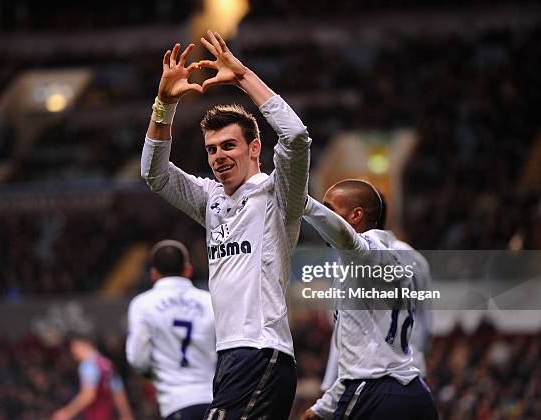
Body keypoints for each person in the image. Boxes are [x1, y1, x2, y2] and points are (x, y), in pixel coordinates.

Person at [141, 30, 311, 419]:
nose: (218, 156)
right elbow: (155, 175)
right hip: (231, 356)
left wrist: (242, 76)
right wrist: (164, 103)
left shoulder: (277, 195)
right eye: (212, 149)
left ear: (254, 148)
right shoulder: (210, 199)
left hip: (262, 352)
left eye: (228, 146)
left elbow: (297, 137)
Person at [300, 180, 438, 420]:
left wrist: (304, 204)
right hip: (414, 389)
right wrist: (323, 406)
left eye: (330, 209)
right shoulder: (401, 257)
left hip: (375, 392)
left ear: (356, 215)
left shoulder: (367, 253)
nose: (326, 218)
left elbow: (363, 371)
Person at [317, 196, 433, 392]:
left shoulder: (352, 262)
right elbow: (427, 325)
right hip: (413, 373)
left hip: (371, 378)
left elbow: (344, 329)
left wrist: (329, 385)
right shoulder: (416, 259)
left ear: (357, 216)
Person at [127, 240, 216, 419]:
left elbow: (137, 360)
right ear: (188, 269)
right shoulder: (210, 301)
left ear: (153, 273)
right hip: (215, 401)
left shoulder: (143, 304)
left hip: (176, 402)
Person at [52, 334, 134, 420]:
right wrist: (126, 414)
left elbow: (89, 395)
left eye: (74, 346)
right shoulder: (107, 364)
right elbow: (118, 392)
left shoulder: (88, 365)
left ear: (84, 344)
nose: (73, 351)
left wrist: (66, 413)